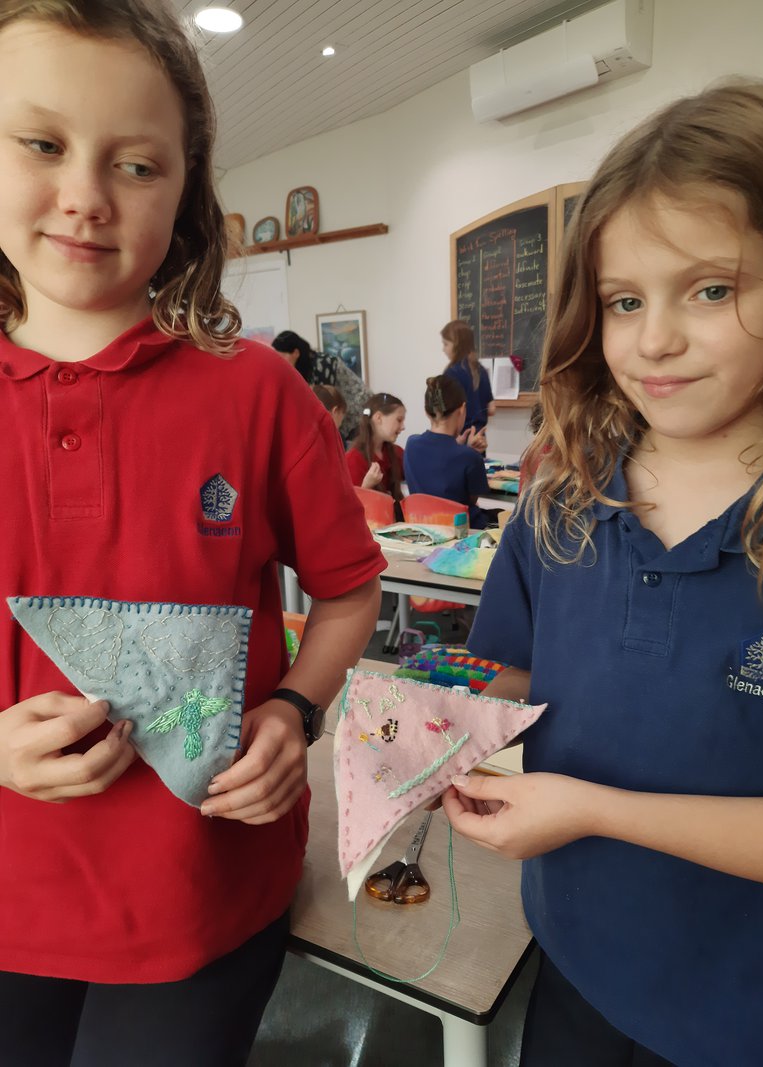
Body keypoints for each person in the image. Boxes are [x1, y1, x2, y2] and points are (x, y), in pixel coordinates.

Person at [0, 3, 384, 1065]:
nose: (83, 195)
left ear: (187, 187)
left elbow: (351, 587)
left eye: (136, 164)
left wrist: (295, 706)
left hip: (200, 904)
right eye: (40, 143)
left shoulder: (255, 393)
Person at [441, 80, 763, 1067]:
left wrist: (595, 809)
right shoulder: (560, 499)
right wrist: (415, 727)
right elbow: (507, 671)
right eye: (623, 301)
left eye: (711, 289)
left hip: (757, 1014)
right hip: (577, 966)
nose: (654, 340)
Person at [405, 375, 499, 529]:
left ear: (427, 412)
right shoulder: (470, 457)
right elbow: (472, 500)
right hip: (461, 532)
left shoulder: (411, 445)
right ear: (462, 409)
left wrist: (462, 448)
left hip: (423, 529)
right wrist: (468, 452)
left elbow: (440, 456)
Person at [272, 328, 368, 442]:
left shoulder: (323, 364)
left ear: (296, 353)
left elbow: (324, 402)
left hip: (354, 411)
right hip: (338, 412)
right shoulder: (300, 370)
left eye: (281, 356)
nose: (278, 362)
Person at [345, 393, 405, 508]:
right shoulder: (353, 459)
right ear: (378, 418)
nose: (403, 427)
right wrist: (367, 486)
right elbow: (350, 508)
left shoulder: (397, 453)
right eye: (399, 420)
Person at [441, 319, 495, 435]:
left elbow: (445, 411)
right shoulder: (482, 371)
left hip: (459, 438)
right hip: (479, 437)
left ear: (457, 345)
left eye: (446, 344)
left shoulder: (451, 373)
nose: (443, 349)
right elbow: (491, 409)